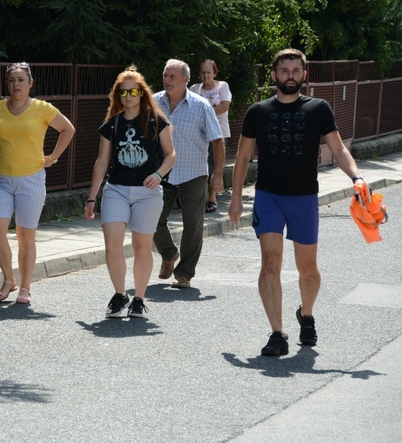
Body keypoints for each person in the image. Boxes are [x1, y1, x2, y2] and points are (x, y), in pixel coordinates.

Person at [229, 48, 365, 356]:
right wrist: (236, 198)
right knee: (271, 262)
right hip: (268, 197)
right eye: (284, 71)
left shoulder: (318, 109)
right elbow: (243, 156)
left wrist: (356, 177)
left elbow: (339, 149)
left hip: (304, 198)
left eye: (295, 71)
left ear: (304, 75)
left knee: (308, 270)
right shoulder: (258, 112)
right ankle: (277, 333)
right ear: (274, 76)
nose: (289, 76)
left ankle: (306, 313)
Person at [0, 62, 75, 305]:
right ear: (6, 84)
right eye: (11, 80)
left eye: (21, 80)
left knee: (25, 236)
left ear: (30, 83)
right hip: (1, 179)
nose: (16, 85)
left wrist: (53, 157)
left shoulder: (42, 108)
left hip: (31, 180)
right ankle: (9, 279)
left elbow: (68, 129)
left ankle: (26, 286)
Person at [84, 66, 176, 318]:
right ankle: (119, 294)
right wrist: (92, 197)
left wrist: (158, 175)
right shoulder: (111, 124)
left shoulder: (156, 120)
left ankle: (138, 298)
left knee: (141, 246)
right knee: (112, 244)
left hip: (148, 192)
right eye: (123, 92)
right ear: (117, 96)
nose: (129, 96)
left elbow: (170, 154)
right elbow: (102, 162)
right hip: (116, 189)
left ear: (142, 93)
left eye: (134, 91)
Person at [153, 59, 224, 289]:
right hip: (162, 173)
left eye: (173, 76)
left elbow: (217, 140)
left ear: (186, 80)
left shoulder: (201, 106)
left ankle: (184, 274)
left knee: (192, 225)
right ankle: (169, 253)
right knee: (151, 219)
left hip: (193, 173)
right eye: (165, 75)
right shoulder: (153, 102)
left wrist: (218, 174)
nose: (167, 80)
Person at [190, 59, 232, 213]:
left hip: (218, 133)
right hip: (199, 134)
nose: (206, 75)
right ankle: (203, 197)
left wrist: (204, 113)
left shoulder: (222, 86)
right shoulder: (194, 89)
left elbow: (224, 106)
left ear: (215, 73)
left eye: (208, 72)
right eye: (202, 72)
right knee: (201, 165)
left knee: (215, 165)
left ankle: (212, 198)